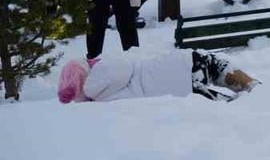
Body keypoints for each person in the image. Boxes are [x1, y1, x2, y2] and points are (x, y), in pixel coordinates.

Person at [59, 50, 256, 104]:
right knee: (218, 67)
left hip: (177, 80)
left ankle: (254, 94)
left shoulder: (101, 95)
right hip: (178, 69)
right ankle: (257, 90)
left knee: (226, 103)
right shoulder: (100, 75)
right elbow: (124, 66)